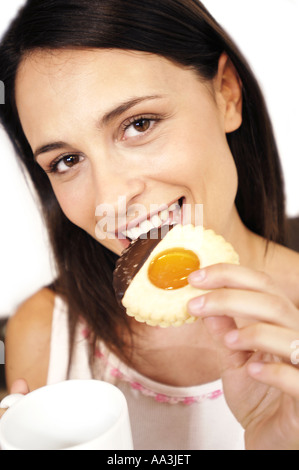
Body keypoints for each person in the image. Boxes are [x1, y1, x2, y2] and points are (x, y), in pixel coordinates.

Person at [1, 0, 299, 450]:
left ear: (226, 95)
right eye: (66, 160)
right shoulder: (44, 333)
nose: (110, 198)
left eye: (138, 124)